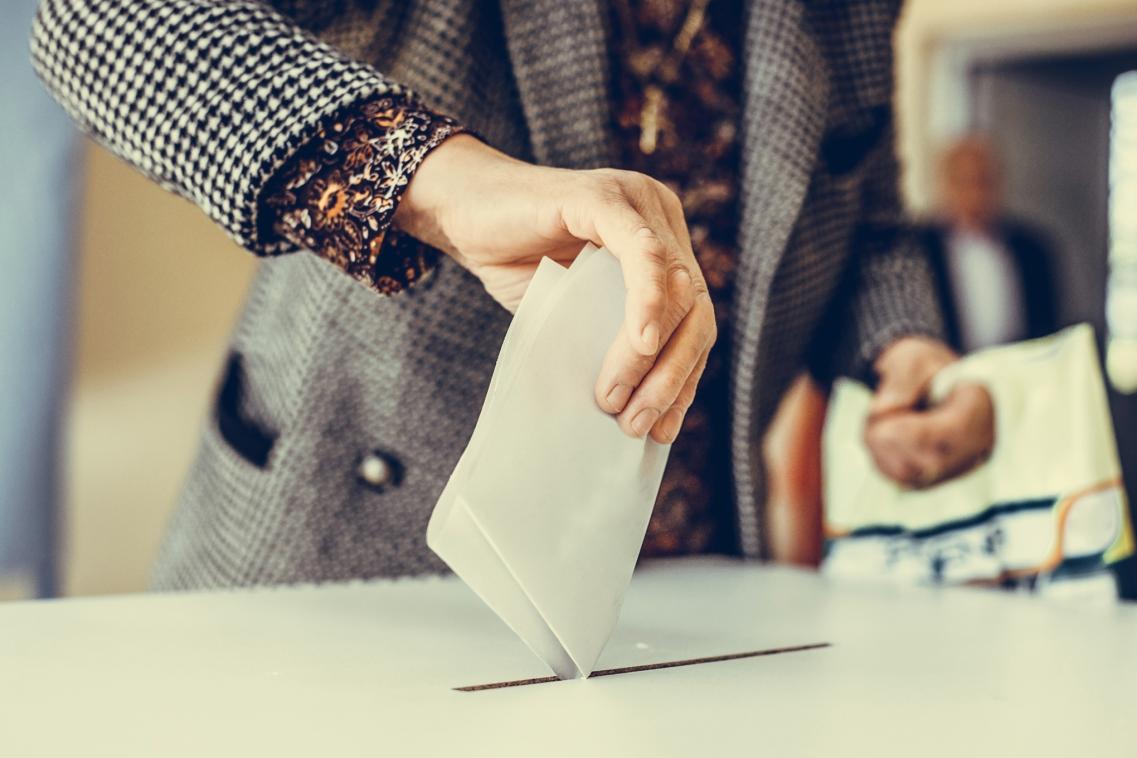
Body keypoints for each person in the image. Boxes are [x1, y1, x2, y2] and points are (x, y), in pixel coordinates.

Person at [31, 0, 995, 590]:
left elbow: (861, 207)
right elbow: (101, 21)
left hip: (688, 582)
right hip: (349, 549)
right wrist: (439, 181)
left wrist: (901, 345)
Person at [920, 136, 1060, 353]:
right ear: (944, 183)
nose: (974, 194)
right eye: (963, 181)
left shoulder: (1033, 250)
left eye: (982, 181)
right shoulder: (918, 251)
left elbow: (1049, 328)